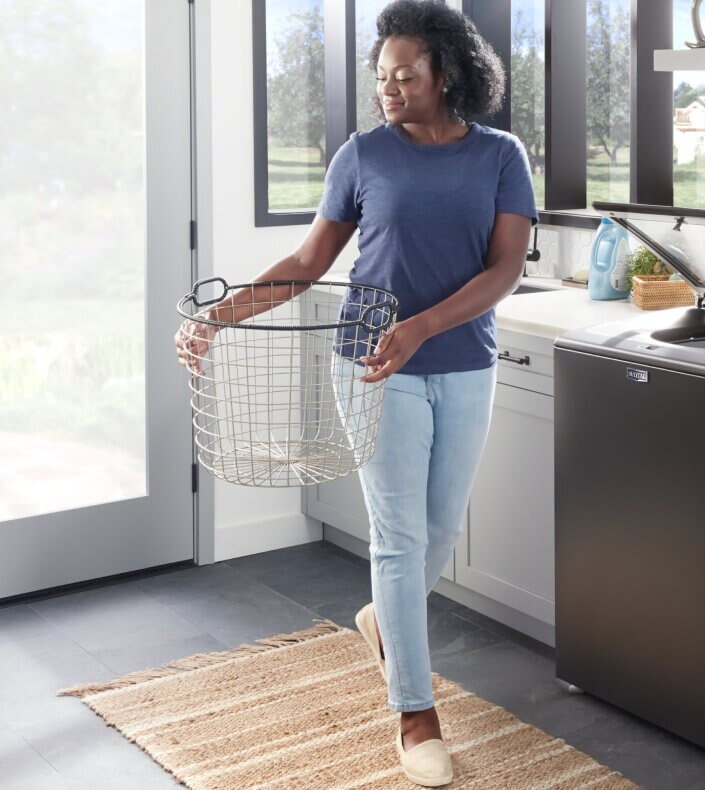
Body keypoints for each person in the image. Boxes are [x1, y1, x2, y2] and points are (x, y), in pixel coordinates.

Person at [174, 1, 535, 785]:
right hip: (370, 363)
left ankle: (382, 620)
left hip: (466, 361)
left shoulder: (502, 155)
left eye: (406, 74)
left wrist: (425, 326)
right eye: (382, 77)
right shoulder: (363, 155)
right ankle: (414, 714)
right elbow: (307, 260)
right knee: (401, 540)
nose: (391, 88)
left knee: (439, 532)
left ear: (449, 73)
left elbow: (504, 270)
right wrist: (219, 315)